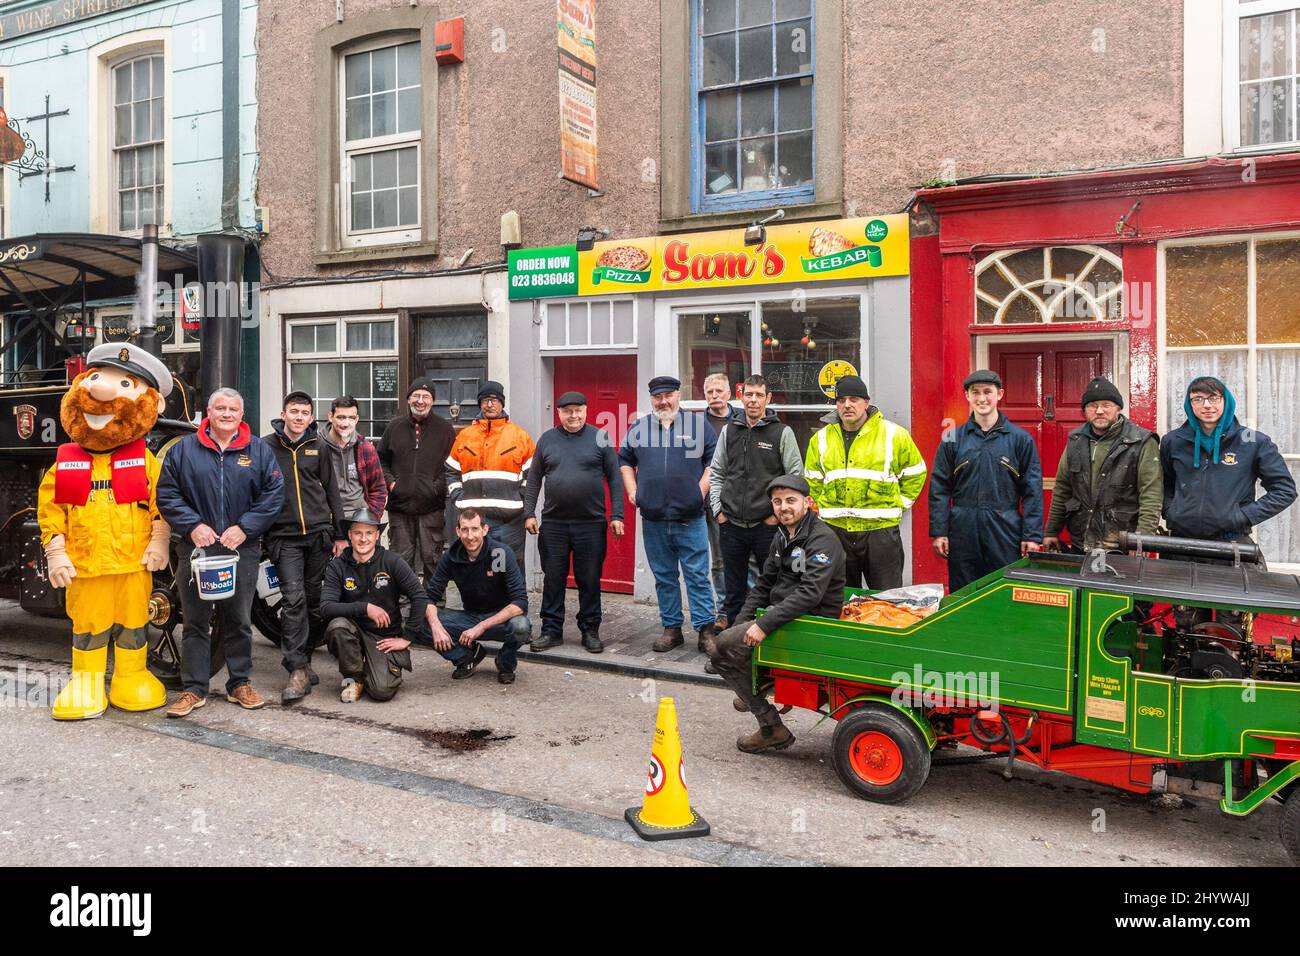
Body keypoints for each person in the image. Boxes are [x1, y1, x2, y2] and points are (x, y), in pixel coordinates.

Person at [37, 342, 174, 719]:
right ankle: (87, 682)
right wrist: (56, 552)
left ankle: (131, 677)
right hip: (87, 567)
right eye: (95, 378)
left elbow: (160, 502)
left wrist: (160, 540)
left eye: (124, 384)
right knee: (89, 626)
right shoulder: (65, 463)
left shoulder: (144, 461)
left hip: (133, 566)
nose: (100, 391)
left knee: (134, 625)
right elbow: (51, 510)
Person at [156, 387, 284, 717]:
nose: (227, 414)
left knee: (238, 619)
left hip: (241, 548)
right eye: (220, 408)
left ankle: (239, 682)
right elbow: (167, 494)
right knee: (196, 621)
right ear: (208, 413)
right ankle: (193, 688)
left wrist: (245, 527)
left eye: (233, 409)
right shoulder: (183, 451)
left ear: (243, 415)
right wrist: (192, 525)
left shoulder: (258, 451)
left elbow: (273, 495)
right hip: (196, 549)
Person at [709, 475, 845, 754]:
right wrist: (738, 627)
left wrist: (762, 625)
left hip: (812, 620)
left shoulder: (822, 539)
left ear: (807, 503)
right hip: (781, 613)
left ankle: (770, 724)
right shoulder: (782, 536)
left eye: (791, 501)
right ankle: (755, 690)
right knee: (726, 644)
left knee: (720, 653)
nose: (784, 507)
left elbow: (810, 594)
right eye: (778, 502)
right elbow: (763, 586)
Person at [619, 375, 719, 653]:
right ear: (651, 399)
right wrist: (632, 490)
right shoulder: (639, 428)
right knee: (664, 576)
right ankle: (672, 628)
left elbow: (715, 461)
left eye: (668, 396)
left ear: (678, 395)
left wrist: (699, 490)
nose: (663, 401)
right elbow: (624, 459)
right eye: (657, 397)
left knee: (697, 576)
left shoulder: (699, 426)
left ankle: (706, 630)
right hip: (653, 519)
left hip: (690, 517)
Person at [524, 391, 625, 654]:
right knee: (553, 578)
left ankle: (590, 630)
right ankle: (551, 630)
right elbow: (534, 479)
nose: (574, 415)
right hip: (554, 524)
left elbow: (615, 478)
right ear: (559, 413)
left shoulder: (600, 437)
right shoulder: (547, 439)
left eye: (578, 410)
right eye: (568, 411)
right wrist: (529, 513)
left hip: (590, 524)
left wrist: (617, 515)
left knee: (589, 579)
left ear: (586, 410)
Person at [804, 375, 926, 591]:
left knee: (887, 598)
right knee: (838, 597)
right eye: (841, 400)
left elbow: (915, 474)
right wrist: (822, 512)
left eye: (854, 399)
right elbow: (812, 481)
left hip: (880, 532)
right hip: (835, 531)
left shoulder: (894, 435)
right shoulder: (821, 439)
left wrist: (899, 504)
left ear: (866, 402)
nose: (847, 405)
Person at [264, 391, 348, 703]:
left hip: (318, 536)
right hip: (283, 538)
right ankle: (296, 669)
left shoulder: (320, 447)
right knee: (293, 599)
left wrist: (340, 534)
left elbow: (332, 492)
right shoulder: (266, 447)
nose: (299, 417)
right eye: (294, 411)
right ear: (283, 414)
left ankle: (307, 658)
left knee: (314, 601)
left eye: (304, 413)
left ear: (311, 418)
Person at [929, 370, 1043, 592]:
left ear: (1000, 394)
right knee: (963, 591)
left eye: (988, 392)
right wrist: (940, 531)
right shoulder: (952, 438)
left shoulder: (1020, 439)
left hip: (1005, 528)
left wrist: (1032, 535)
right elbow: (940, 487)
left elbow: (1032, 490)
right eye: (976, 392)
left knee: (1003, 589)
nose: (982, 398)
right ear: (967, 396)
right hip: (963, 529)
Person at [709, 373, 803, 630]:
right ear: (741, 397)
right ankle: (732, 642)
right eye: (749, 394)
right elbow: (717, 473)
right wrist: (719, 511)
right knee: (733, 589)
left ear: (768, 398)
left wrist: (776, 516)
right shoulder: (730, 431)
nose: (753, 400)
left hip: (767, 526)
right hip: (731, 525)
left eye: (759, 395)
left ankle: (768, 637)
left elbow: (795, 477)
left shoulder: (782, 432)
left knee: (773, 584)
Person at [1160, 376, 1296, 548]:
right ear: (1190, 404)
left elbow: (1285, 490)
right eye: (1198, 399)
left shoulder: (1254, 442)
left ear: (1226, 401)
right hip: (1180, 543)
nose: (1207, 405)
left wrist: (1243, 516)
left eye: (1214, 398)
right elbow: (1164, 484)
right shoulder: (1173, 441)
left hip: (1231, 544)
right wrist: (1171, 511)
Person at [320, 508, 428, 703]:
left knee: (382, 691)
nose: (363, 539)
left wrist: (407, 638)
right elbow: (326, 607)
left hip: (383, 637)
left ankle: (375, 668)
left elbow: (419, 597)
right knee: (337, 626)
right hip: (352, 631)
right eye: (358, 533)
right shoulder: (337, 566)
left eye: (369, 533)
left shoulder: (392, 561)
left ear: (377, 535)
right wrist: (365, 608)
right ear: (350, 535)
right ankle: (355, 677)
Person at [1043, 377, 1161, 553]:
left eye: (1106, 405)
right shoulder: (1075, 440)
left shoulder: (1142, 441)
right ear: (1084, 410)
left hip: (1121, 545)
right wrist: (1052, 530)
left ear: (1118, 408)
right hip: (1080, 542)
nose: (1099, 411)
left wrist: (1142, 540)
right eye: (1092, 405)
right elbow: (1062, 488)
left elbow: (1151, 495)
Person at [421, 509, 532, 685]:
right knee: (421, 622)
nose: (470, 536)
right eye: (465, 530)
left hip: (500, 620)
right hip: (469, 618)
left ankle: (505, 663)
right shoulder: (451, 557)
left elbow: (520, 603)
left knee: (521, 626)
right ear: (458, 531)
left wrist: (481, 626)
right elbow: (429, 598)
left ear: (485, 530)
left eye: (475, 529)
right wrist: (435, 627)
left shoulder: (500, 553)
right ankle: (465, 657)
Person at [446, 381, 535, 572]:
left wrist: (520, 498)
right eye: (485, 400)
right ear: (479, 404)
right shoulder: (465, 436)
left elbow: (532, 475)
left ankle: (515, 603)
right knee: (478, 570)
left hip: (510, 521)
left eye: (494, 400)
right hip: (474, 521)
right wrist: (459, 498)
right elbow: (451, 471)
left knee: (509, 569)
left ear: (502, 403)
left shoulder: (519, 436)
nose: (489, 405)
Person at [378, 377, 455, 579]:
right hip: (400, 508)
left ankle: (433, 604)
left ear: (432, 400)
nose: (420, 401)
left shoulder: (445, 429)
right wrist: (392, 483)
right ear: (408, 399)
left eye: (426, 396)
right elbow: (381, 460)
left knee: (433, 559)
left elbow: (453, 465)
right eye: (416, 396)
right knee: (401, 561)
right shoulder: (394, 427)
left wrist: (437, 488)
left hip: (432, 508)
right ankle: (403, 606)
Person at [321, 395, 387, 521]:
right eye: (341, 417)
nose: (346, 423)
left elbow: (378, 488)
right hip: (326, 521)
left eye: (351, 418)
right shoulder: (316, 447)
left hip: (360, 519)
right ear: (330, 417)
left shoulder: (366, 448)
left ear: (357, 419)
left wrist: (371, 518)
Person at [702, 372, 733, 617]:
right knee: (717, 560)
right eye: (710, 392)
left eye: (719, 391)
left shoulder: (741, 421)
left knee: (747, 559)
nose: (714, 396)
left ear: (729, 394)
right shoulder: (696, 425)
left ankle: (745, 608)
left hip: (733, 500)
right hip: (702, 502)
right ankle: (722, 610)